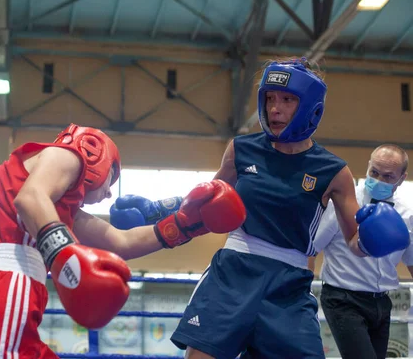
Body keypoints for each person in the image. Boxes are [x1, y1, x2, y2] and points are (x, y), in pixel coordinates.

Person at [110, 58, 410, 359]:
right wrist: (154, 210)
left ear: (310, 106)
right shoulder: (241, 149)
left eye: (287, 100)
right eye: (270, 98)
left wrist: (376, 240)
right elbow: (202, 200)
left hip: (289, 288)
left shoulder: (334, 171)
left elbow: (354, 242)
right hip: (233, 273)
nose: (275, 108)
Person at [0, 123, 247, 359]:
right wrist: (64, 253)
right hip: (4, 288)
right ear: (97, 156)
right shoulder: (65, 155)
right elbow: (30, 198)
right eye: (111, 181)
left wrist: (183, 226)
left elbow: (120, 242)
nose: (108, 194)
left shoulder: (58, 208)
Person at [309, 144, 413, 359]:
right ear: (367, 167)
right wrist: (301, 292)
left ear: (402, 178)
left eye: (387, 176)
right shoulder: (345, 202)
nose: (379, 180)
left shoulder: (406, 214)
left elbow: (412, 261)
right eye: (374, 172)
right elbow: (311, 247)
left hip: (381, 302)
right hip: (343, 298)